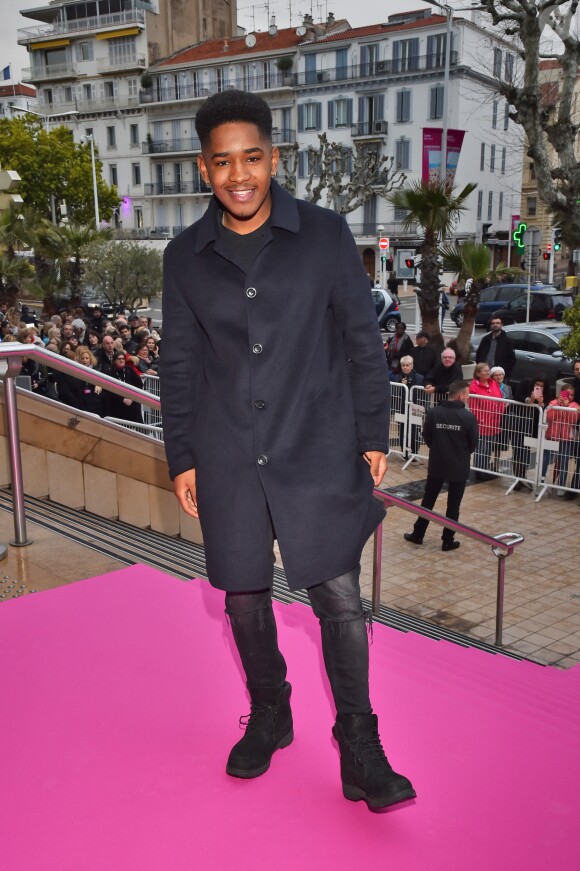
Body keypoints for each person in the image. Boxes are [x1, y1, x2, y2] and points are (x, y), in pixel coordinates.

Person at [159, 89, 415, 811]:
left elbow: (364, 344)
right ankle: (271, 708)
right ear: (204, 169)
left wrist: (373, 432)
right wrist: (183, 454)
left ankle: (359, 744)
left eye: (252, 156)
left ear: (273, 156)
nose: (238, 174)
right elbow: (178, 364)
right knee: (243, 600)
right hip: (228, 451)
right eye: (221, 161)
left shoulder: (328, 235)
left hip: (317, 439)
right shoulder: (184, 257)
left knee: (340, 596)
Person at [403, 380, 478, 550]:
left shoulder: (434, 412)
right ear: (460, 395)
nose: (467, 398)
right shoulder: (468, 417)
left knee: (428, 500)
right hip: (459, 466)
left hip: (437, 463)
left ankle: (418, 533)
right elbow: (473, 444)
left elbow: (427, 436)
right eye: (467, 394)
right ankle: (447, 539)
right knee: (453, 505)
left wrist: (438, 449)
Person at [511, 375, 551, 490]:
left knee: (530, 452)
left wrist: (541, 403)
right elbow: (517, 396)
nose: (539, 387)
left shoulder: (547, 394)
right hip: (521, 423)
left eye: (541, 386)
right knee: (519, 450)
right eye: (537, 385)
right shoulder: (524, 383)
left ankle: (531, 478)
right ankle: (519, 478)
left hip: (535, 426)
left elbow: (547, 408)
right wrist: (530, 400)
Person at [541, 387, 580, 493]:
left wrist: (566, 407)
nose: (569, 397)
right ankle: (541, 479)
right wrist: (558, 405)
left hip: (566, 438)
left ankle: (561, 485)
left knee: (564, 462)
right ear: (560, 394)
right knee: (546, 458)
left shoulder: (575, 406)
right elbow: (550, 416)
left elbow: (574, 419)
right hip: (551, 436)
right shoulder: (553, 403)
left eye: (571, 395)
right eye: (567, 394)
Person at [469, 362, 504, 477]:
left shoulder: (493, 383)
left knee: (489, 447)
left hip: (494, 421)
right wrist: (481, 419)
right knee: (481, 448)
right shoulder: (474, 386)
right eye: (485, 371)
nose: (488, 372)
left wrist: (500, 410)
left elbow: (500, 398)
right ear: (478, 373)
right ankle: (479, 471)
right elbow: (474, 406)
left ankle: (485, 470)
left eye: (488, 370)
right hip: (483, 423)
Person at [391, 355, 424, 458]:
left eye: (407, 365)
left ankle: (414, 452)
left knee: (415, 429)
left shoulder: (419, 378)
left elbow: (422, 394)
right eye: (403, 365)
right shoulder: (397, 377)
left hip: (415, 407)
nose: (405, 367)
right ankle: (404, 452)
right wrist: (401, 385)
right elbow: (394, 392)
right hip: (402, 408)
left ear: (412, 366)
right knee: (402, 429)